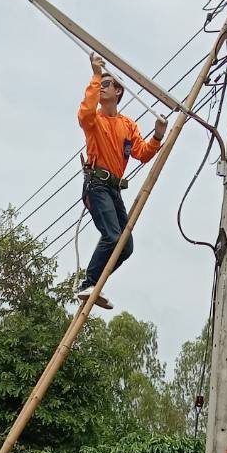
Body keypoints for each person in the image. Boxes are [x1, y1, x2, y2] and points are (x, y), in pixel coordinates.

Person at [76, 51, 167, 308]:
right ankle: (88, 283)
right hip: (96, 184)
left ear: (118, 91)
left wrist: (158, 136)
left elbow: (142, 153)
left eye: (106, 84)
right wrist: (96, 75)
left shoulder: (127, 125)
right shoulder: (95, 120)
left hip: (114, 189)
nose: (101, 88)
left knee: (125, 246)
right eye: (100, 85)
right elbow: (84, 113)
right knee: (113, 236)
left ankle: (94, 285)